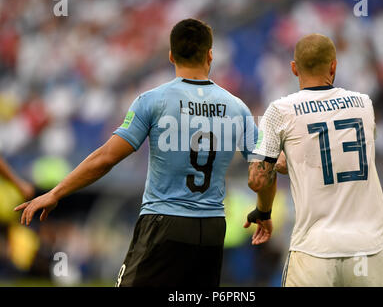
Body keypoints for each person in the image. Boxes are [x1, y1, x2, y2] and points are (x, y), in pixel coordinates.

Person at [14, 18, 257, 287]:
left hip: (165, 220)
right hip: (212, 226)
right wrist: (265, 211)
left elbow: (107, 158)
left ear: (171, 55)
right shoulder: (238, 108)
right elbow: (263, 167)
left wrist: (56, 192)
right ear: (210, 55)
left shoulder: (153, 101)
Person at [245, 33, 383, 287]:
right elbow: (341, 154)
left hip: (316, 250)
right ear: (334, 65)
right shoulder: (364, 104)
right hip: (369, 249)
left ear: (293, 68)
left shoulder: (280, 110)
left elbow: (257, 178)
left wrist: (264, 210)